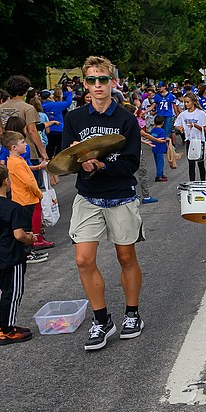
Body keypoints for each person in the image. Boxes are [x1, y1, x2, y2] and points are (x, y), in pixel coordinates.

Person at [61, 56, 146, 352]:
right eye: (92, 80)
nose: (98, 85)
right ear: (85, 84)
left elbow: (131, 162)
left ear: (113, 82)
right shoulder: (74, 119)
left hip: (120, 194)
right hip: (87, 197)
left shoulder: (126, 119)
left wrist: (101, 167)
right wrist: (77, 160)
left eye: (103, 79)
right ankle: (102, 319)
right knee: (83, 259)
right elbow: (65, 161)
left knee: (126, 257)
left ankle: (132, 314)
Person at [0, 163, 37, 345]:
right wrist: (30, 238)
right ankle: (6, 330)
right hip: (12, 255)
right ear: (6, 182)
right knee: (13, 292)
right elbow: (19, 234)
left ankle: (7, 325)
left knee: (6, 289)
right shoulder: (13, 207)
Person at [3, 131, 52, 257]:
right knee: (26, 228)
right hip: (26, 199)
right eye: (23, 142)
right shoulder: (17, 162)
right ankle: (27, 253)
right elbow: (28, 182)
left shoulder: (15, 160)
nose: (26, 145)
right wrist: (38, 193)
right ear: (14, 147)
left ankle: (29, 251)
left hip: (22, 198)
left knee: (27, 226)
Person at [0, 76, 50, 169]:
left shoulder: (1, 108)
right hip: (27, 150)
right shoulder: (28, 108)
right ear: (24, 91)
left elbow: (0, 130)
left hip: (8, 150)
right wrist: (43, 151)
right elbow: (32, 131)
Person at [175, 94, 206, 182]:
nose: (186, 104)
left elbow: (205, 128)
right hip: (189, 140)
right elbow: (177, 124)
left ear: (193, 102)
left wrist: (195, 125)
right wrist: (180, 128)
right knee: (191, 164)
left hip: (199, 140)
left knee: (200, 163)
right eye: (185, 102)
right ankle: (192, 183)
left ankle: (203, 182)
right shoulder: (183, 115)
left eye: (188, 102)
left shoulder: (201, 113)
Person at [149, 116, 169, 182]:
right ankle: (159, 175)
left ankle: (161, 174)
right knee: (160, 162)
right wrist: (167, 140)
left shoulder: (153, 130)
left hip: (154, 148)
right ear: (163, 123)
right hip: (160, 149)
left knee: (157, 162)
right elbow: (163, 139)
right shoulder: (162, 131)